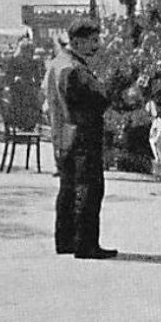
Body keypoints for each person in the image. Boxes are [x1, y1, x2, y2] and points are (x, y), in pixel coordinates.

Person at [47, 16, 117, 260]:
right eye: (93, 40)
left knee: (68, 188)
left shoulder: (58, 63)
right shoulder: (74, 69)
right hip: (82, 134)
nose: (96, 46)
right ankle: (86, 244)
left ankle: (65, 240)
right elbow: (96, 97)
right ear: (77, 41)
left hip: (63, 134)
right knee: (88, 188)